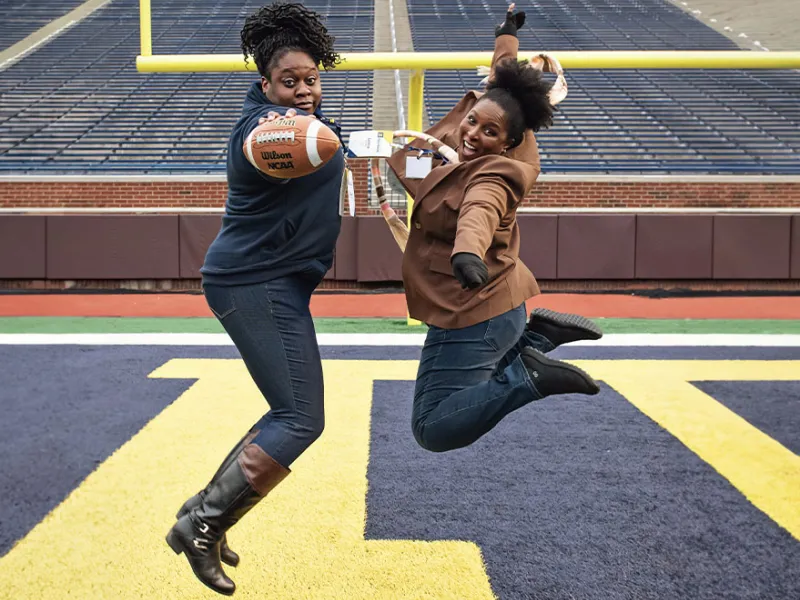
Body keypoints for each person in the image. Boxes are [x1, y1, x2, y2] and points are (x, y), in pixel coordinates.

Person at [164, 3, 346, 595]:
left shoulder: (313, 120)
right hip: (253, 280)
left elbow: (323, 138)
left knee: (287, 413)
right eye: (288, 81)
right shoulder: (263, 128)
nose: (302, 90)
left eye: (310, 79)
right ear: (265, 83)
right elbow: (272, 142)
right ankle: (202, 523)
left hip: (276, 279)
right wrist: (299, 125)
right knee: (300, 418)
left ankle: (202, 520)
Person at [386, 4, 603, 454]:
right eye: (472, 120)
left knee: (432, 427)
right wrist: (506, 36)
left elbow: (478, 212)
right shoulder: (513, 134)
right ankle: (538, 337)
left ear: (507, 141)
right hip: (492, 304)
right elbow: (504, 77)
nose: (471, 132)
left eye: (488, 130)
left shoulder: (492, 175)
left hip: (472, 306)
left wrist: (467, 252)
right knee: (408, 157)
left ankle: (530, 376)